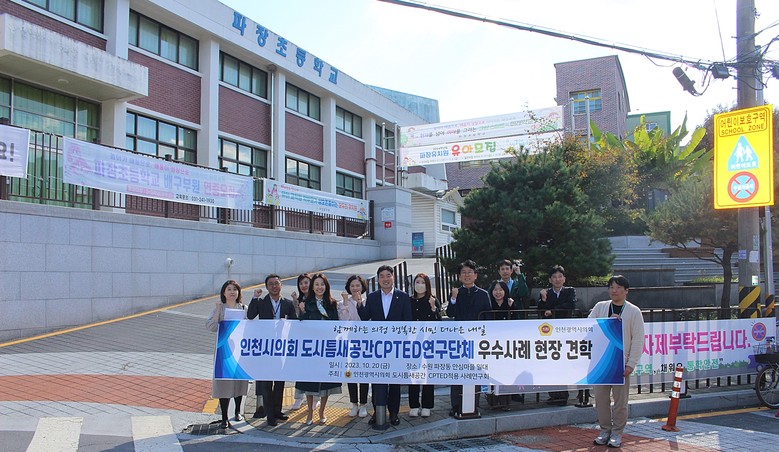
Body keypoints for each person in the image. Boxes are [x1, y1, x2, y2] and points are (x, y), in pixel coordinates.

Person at [589, 275, 645, 448]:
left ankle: (617, 433)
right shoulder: (600, 307)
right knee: (601, 400)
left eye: (618, 288)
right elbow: (588, 327)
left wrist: (631, 364)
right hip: (601, 363)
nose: (614, 291)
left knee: (620, 402)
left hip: (621, 363)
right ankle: (604, 430)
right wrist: (607, 322)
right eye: (611, 287)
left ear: (626, 291)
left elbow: (638, 339)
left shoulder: (633, 311)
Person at [358, 265, 412, 427]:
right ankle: (377, 411)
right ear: (378, 279)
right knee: (377, 381)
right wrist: (359, 304)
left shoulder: (403, 297)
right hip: (378, 347)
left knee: (394, 382)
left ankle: (394, 412)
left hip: (396, 347)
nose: (385, 279)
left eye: (388, 275)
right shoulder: (372, 297)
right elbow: (365, 317)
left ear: (393, 277)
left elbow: (408, 321)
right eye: (382, 276)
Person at [246, 274, 298, 427]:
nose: (274, 286)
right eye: (271, 284)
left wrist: (287, 322)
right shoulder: (261, 302)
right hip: (266, 348)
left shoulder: (287, 303)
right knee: (267, 382)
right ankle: (269, 415)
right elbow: (250, 316)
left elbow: (295, 322)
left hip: (281, 348)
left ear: (281, 285)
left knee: (280, 381)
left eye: (277, 283)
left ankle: (277, 411)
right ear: (267, 287)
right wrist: (254, 298)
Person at [446, 259, 491, 417]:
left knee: (474, 373)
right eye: (463, 273)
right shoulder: (456, 293)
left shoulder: (484, 294)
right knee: (457, 372)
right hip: (459, 340)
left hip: (477, 341)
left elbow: (488, 318)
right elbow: (450, 313)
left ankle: (473, 404)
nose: (467, 275)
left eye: (470, 272)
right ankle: (455, 405)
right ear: (459, 276)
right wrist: (453, 299)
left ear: (475, 275)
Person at [295, 273, 342, 425]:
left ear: (326, 286)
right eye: (316, 284)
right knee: (309, 380)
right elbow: (300, 324)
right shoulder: (306, 303)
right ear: (312, 287)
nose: (319, 287)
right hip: (311, 349)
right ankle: (310, 412)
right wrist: (301, 311)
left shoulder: (332, 304)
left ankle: (322, 411)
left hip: (326, 348)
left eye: (322, 284)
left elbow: (336, 325)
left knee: (325, 381)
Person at [206, 280, 249, 430]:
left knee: (239, 381)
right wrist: (218, 311)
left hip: (239, 351)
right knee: (224, 383)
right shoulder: (220, 308)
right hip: (223, 351)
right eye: (229, 289)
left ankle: (237, 411)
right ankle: (224, 417)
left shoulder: (243, 308)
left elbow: (250, 326)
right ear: (224, 293)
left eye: (235, 289)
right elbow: (211, 326)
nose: (232, 292)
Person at [537, 264, 577, 405]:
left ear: (564, 279)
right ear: (550, 279)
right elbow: (540, 310)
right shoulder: (546, 292)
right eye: (554, 277)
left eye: (560, 277)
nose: (557, 279)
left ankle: (563, 395)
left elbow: (571, 305)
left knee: (562, 364)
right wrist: (543, 300)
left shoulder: (570, 291)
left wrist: (553, 310)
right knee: (550, 364)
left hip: (565, 332)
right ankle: (553, 395)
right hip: (549, 333)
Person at [408, 273, 441, 418]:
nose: (420, 285)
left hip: (429, 342)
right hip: (412, 342)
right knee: (413, 373)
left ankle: (427, 405)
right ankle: (414, 405)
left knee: (428, 374)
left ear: (427, 285)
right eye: (417, 282)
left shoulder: (432, 300)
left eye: (423, 282)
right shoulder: (409, 300)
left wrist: (433, 308)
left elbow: (439, 322)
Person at [338, 274, 370, 418]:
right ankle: (354, 404)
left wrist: (360, 303)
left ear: (362, 287)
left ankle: (363, 404)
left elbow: (368, 319)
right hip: (349, 341)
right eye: (352, 286)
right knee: (350, 372)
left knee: (363, 372)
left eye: (358, 285)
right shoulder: (343, 303)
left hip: (364, 342)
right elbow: (344, 321)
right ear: (348, 288)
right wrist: (345, 303)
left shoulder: (369, 301)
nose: (355, 288)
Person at [288, 273, 312, 412]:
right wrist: (295, 302)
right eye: (301, 283)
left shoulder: (317, 298)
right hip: (301, 340)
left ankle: (315, 398)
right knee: (301, 369)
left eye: (306, 282)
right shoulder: (298, 300)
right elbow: (295, 318)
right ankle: (299, 396)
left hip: (314, 339)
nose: (303, 285)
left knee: (314, 369)